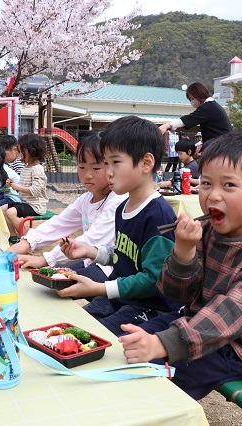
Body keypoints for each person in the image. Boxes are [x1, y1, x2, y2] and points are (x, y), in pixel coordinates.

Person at [118, 132, 242, 400]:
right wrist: (183, 252)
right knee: (125, 344)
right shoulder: (206, 231)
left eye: (229, 185)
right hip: (193, 322)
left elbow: (229, 315)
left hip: (239, 349)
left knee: (159, 377)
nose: (213, 196)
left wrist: (162, 344)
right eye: (206, 183)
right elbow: (176, 294)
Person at [59, 116, 180, 336]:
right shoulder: (122, 208)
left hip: (151, 309)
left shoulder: (158, 215)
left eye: (115, 162)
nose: (109, 172)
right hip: (120, 300)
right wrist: (92, 252)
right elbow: (124, 255)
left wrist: (99, 288)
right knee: (70, 328)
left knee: (94, 340)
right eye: (105, 163)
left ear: (146, 163)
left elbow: (154, 279)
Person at [8, 132, 127, 282]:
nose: (87, 175)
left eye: (96, 168)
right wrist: (27, 242)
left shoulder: (117, 200)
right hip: (89, 262)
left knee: (56, 282)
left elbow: (91, 240)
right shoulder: (87, 198)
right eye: (82, 166)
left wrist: (45, 259)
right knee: (47, 278)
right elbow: (59, 223)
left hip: (111, 270)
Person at [2, 134, 48, 245]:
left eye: (23, 151)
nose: (20, 154)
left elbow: (36, 191)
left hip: (36, 206)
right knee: (3, 209)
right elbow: (22, 189)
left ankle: (28, 239)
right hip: (26, 203)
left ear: (32, 151)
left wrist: (18, 187)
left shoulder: (37, 169)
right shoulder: (26, 168)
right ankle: (13, 237)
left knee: (11, 212)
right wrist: (13, 185)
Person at [159, 82, 232, 149]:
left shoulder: (207, 107)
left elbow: (187, 120)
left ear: (199, 94)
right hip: (225, 144)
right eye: (190, 99)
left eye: (192, 98)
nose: (192, 102)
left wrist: (167, 125)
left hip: (222, 147)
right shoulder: (212, 106)